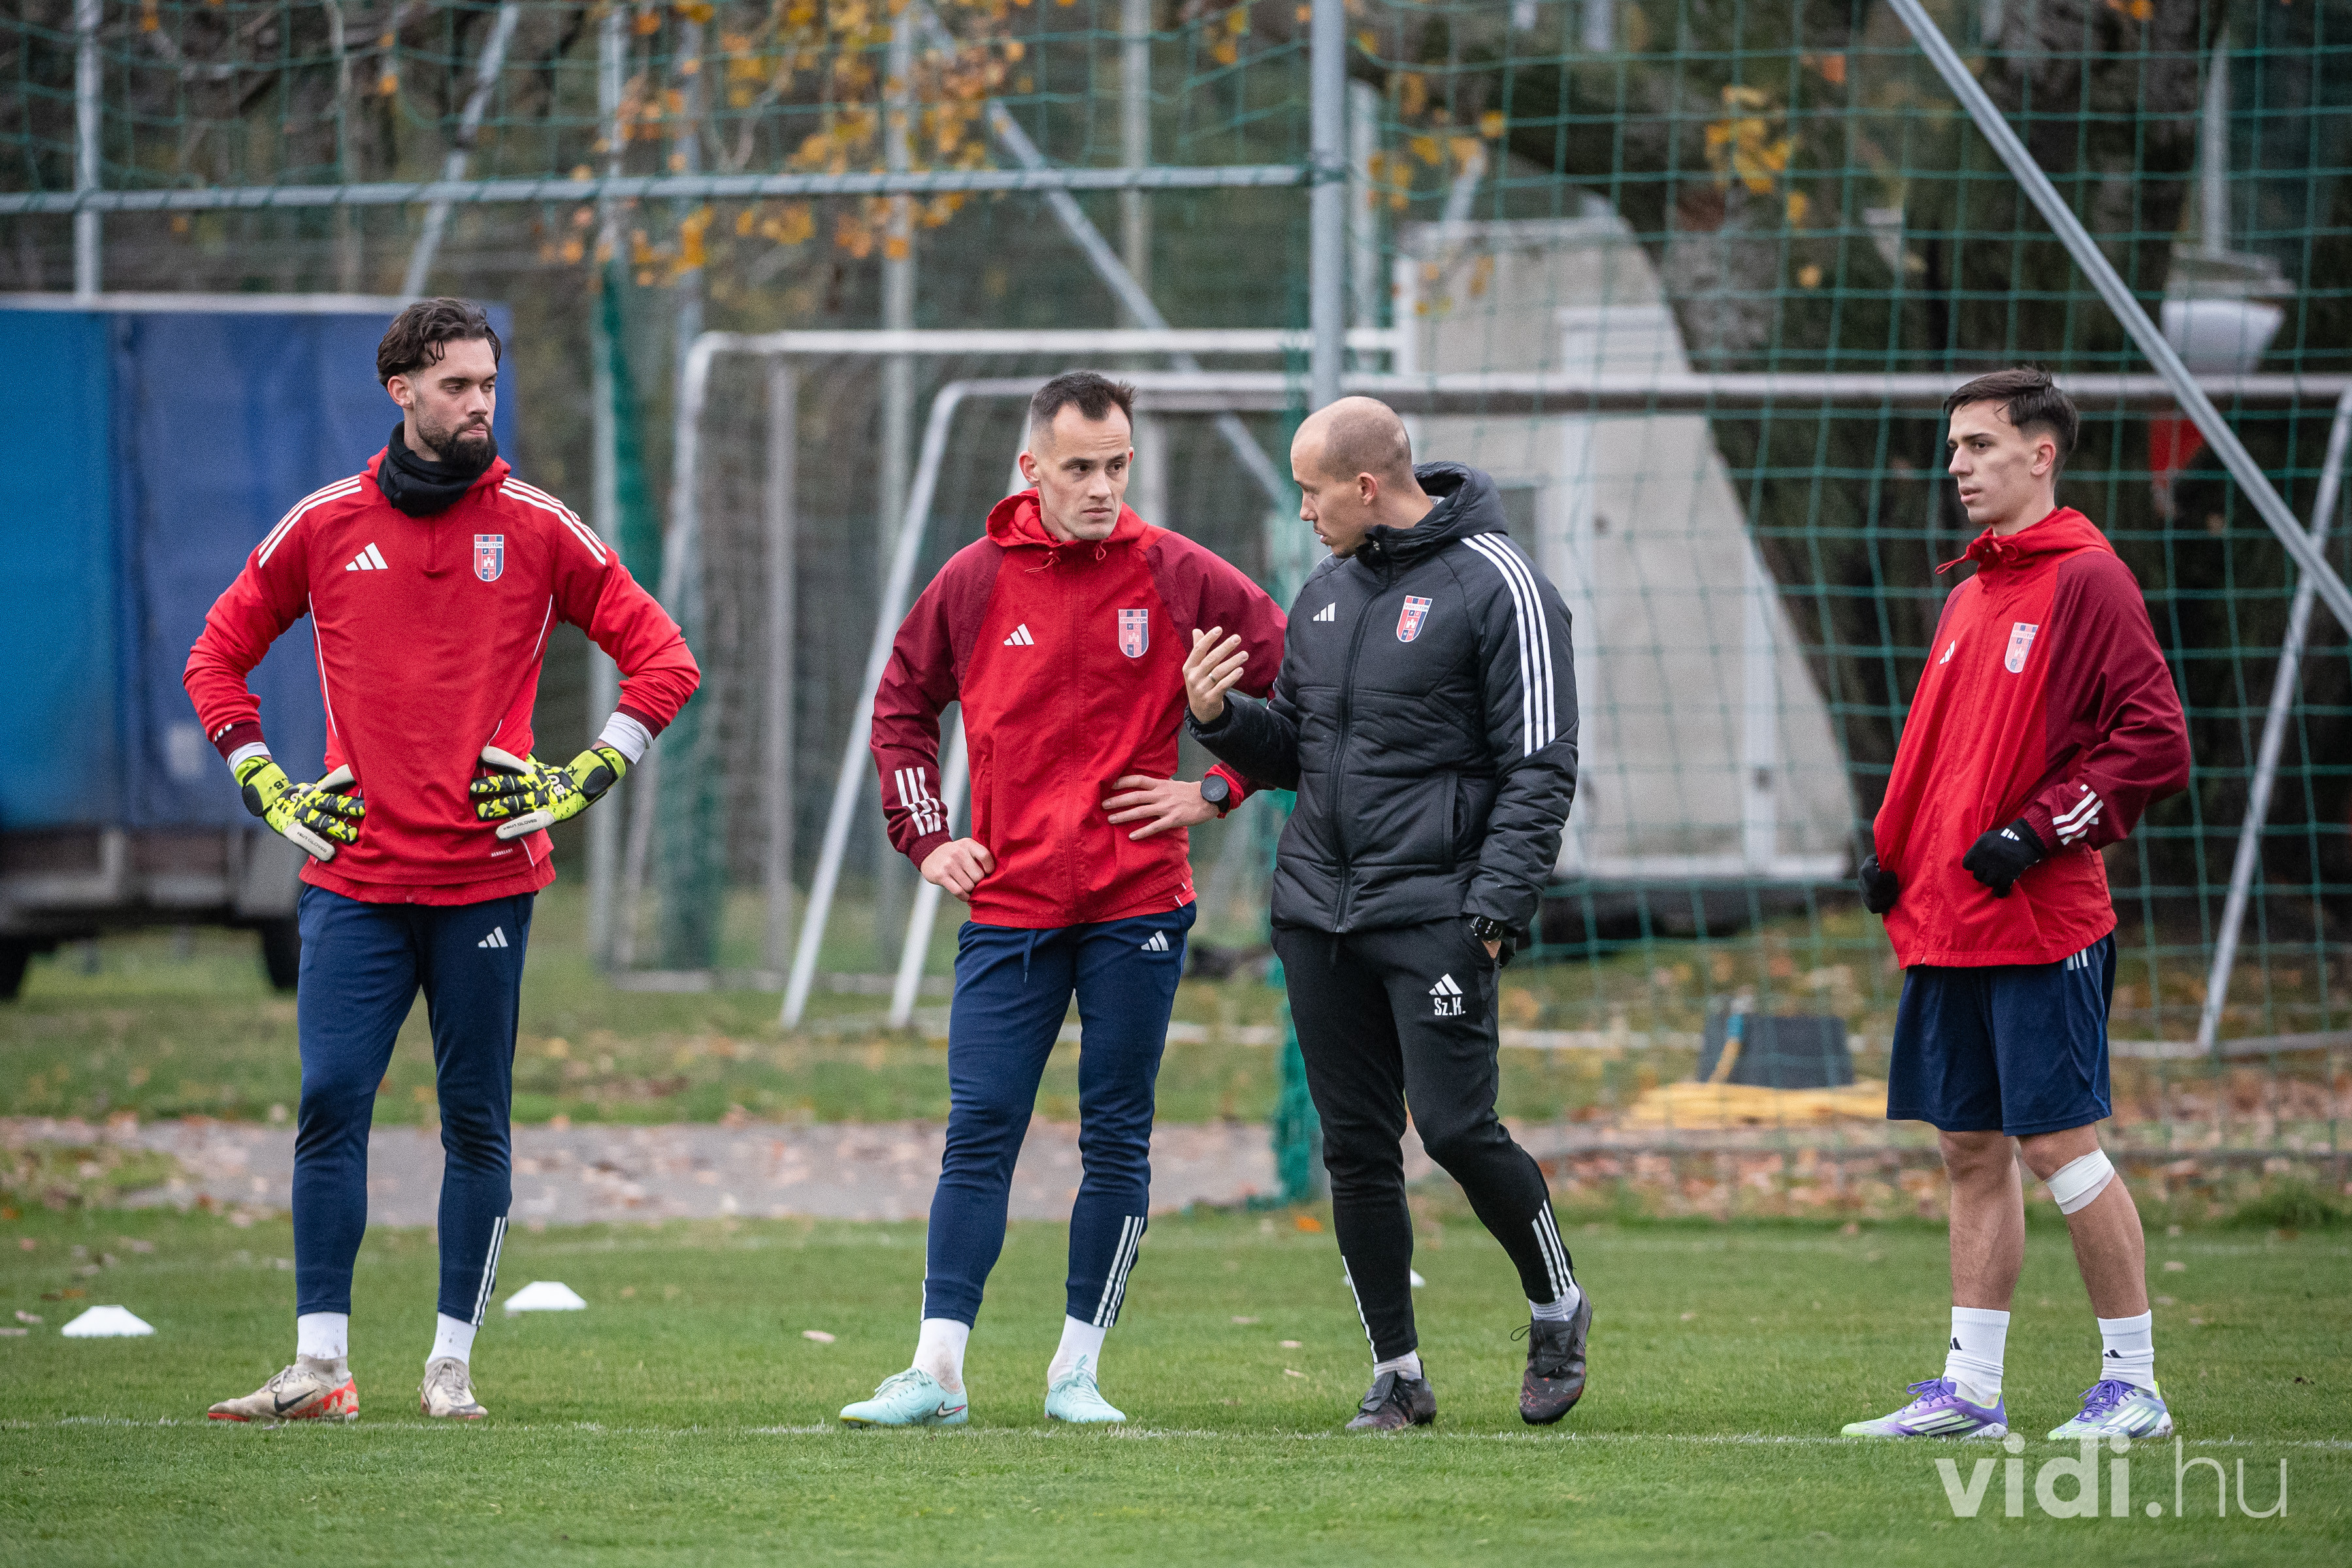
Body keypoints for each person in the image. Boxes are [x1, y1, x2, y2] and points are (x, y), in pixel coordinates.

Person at [184, 298, 699, 1423]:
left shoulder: (539, 526)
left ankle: (450, 1367)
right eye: (457, 385)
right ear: (402, 391)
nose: (479, 405)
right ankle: (320, 1367)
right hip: (353, 880)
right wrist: (264, 779)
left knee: (475, 1121)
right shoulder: (326, 524)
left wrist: (583, 776)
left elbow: (665, 658)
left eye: (488, 385)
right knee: (331, 1101)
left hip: (486, 886)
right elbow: (216, 656)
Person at [840, 370, 1286, 1428]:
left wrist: (1216, 788)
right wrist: (928, 836)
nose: (1100, 486)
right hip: (1010, 906)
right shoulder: (974, 580)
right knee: (980, 1126)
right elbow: (901, 706)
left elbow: (1300, 683)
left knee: (1115, 1135)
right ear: (1031, 469)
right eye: (1079, 466)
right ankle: (937, 1374)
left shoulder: (1178, 573)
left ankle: (1076, 1374)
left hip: (1139, 903)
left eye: (1116, 465)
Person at [1182, 396, 1588, 1433]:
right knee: (1355, 1149)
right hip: (1319, 916)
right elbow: (1298, 754)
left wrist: (1493, 912)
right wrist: (1219, 719)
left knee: (1455, 1130)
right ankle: (1397, 1374)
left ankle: (1557, 1304)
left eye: (1312, 490)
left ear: (1366, 486)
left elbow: (1541, 767)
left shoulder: (1502, 585)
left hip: (1441, 913)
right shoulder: (1325, 595)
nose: (1303, 510)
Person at [1844, 367, 2191, 1442]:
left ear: (2043, 456)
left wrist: (2041, 833)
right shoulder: (1971, 592)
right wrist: (1894, 851)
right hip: (1952, 920)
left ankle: (2134, 1384)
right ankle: (1971, 1392)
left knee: (2059, 1147)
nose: (1959, 466)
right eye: (1954, 448)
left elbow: (2155, 741)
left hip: (2041, 921)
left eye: (1981, 446)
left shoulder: (2090, 580)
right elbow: (1941, 752)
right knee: (1969, 1148)